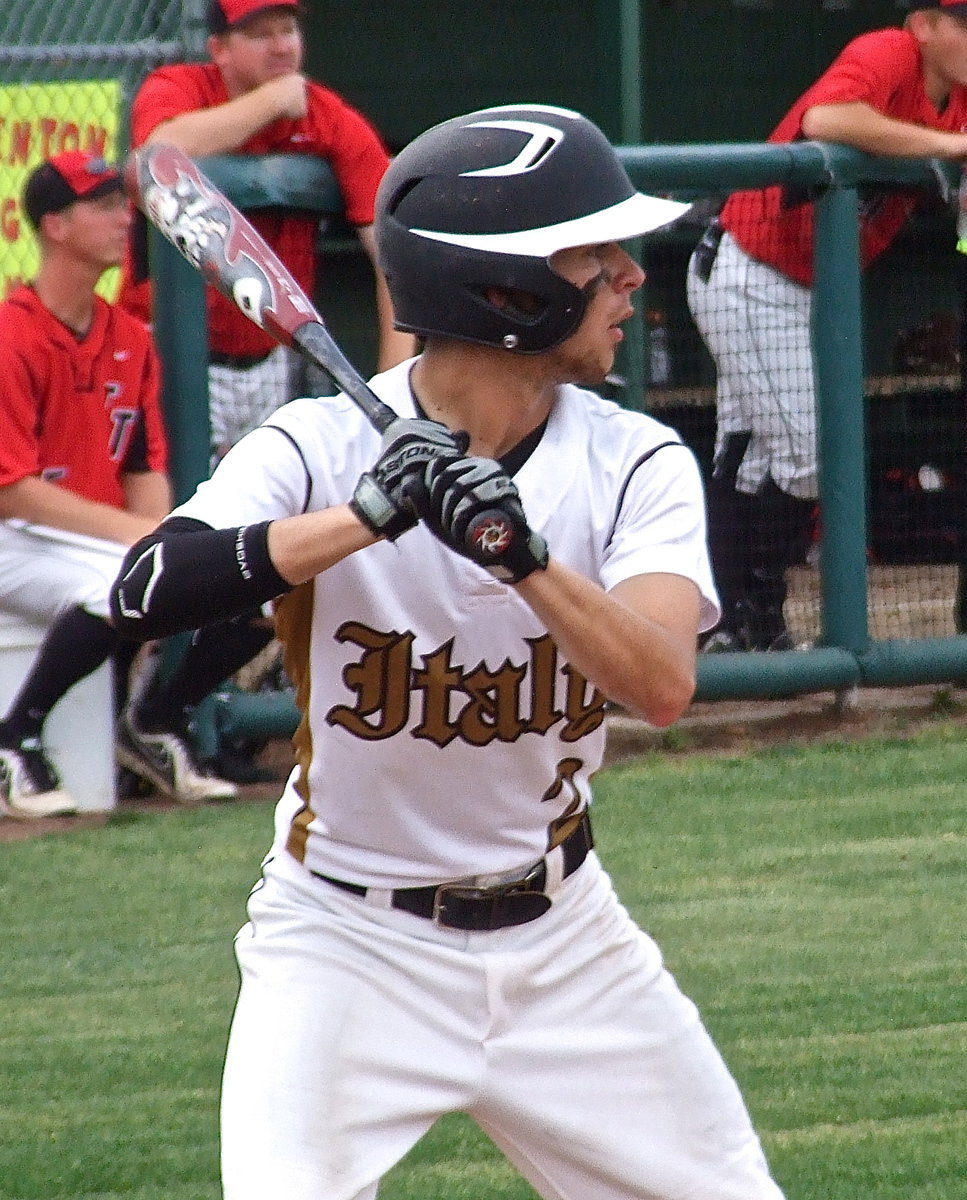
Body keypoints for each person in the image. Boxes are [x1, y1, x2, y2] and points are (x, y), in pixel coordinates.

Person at [111, 104, 787, 1200]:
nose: (629, 276)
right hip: (344, 942)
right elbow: (144, 587)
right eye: (594, 254)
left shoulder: (634, 460)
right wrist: (367, 515)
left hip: (568, 944)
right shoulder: (321, 447)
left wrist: (522, 556)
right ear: (507, 292)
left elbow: (660, 683)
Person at [687, 0, 967, 652]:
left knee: (753, 455)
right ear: (923, 26)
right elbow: (826, 118)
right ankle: (740, 615)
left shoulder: (959, 100)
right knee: (809, 459)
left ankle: (739, 621)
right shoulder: (886, 53)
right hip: (747, 268)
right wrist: (948, 147)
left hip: (806, 289)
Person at [0, 151, 268, 818]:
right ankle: (14, 738)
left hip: (79, 538)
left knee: (257, 581)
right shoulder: (11, 334)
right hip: (12, 536)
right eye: (104, 206)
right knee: (117, 582)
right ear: (56, 226)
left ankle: (156, 720)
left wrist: (161, 536)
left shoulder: (129, 336)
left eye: (123, 203)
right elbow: (12, 490)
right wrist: (141, 537)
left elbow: (143, 468)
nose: (125, 218)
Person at [122, 0, 414, 460]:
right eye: (261, 34)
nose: (282, 47)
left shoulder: (324, 114)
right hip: (170, 355)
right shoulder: (178, 86)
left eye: (288, 30)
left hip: (270, 357)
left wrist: (390, 392)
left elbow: (392, 252)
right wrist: (272, 101)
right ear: (219, 49)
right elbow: (159, 156)